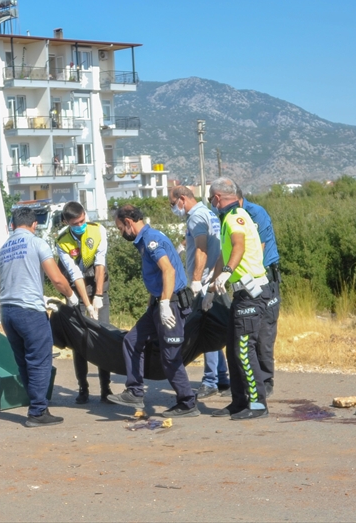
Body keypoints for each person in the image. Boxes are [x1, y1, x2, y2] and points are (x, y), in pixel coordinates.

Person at [106, 204, 198, 418]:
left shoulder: (151, 239)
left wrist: (165, 303)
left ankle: (187, 403)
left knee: (170, 357)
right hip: (159, 303)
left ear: (128, 223)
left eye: (120, 229)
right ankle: (135, 392)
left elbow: (168, 270)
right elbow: (158, 276)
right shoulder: (145, 240)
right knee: (132, 340)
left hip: (171, 305)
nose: (121, 233)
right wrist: (154, 303)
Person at [0, 207, 80, 427]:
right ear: (34, 225)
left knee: (24, 362)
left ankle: (36, 405)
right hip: (29, 312)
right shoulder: (37, 243)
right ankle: (37, 412)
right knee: (40, 360)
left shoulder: (3, 248)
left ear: (13, 225)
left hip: (6, 311)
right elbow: (58, 279)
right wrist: (71, 297)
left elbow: (15, 279)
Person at [209, 177, 277, 420]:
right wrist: (210, 289)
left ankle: (258, 404)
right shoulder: (232, 217)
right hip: (242, 294)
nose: (210, 203)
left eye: (210, 199)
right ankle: (239, 401)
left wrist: (226, 274)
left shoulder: (235, 217)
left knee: (245, 350)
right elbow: (225, 254)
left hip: (250, 294)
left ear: (218, 198)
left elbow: (237, 246)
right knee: (234, 349)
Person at [169, 186, 227, 399]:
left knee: (205, 332)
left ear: (182, 199)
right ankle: (221, 377)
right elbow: (197, 239)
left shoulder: (195, 217)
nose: (173, 208)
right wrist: (183, 245)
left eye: (172, 204)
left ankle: (210, 380)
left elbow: (201, 248)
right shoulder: (207, 213)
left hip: (203, 282)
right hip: (213, 277)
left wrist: (195, 280)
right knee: (213, 329)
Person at [54, 201, 113, 404]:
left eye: (82, 220)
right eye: (75, 223)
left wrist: (97, 297)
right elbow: (75, 274)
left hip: (98, 287)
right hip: (76, 293)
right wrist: (86, 305)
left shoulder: (97, 231)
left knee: (103, 337)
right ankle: (83, 388)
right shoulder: (62, 241)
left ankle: (106, 388)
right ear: (66, 221)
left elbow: (100, 263)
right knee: (79, 342)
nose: (80, 224)